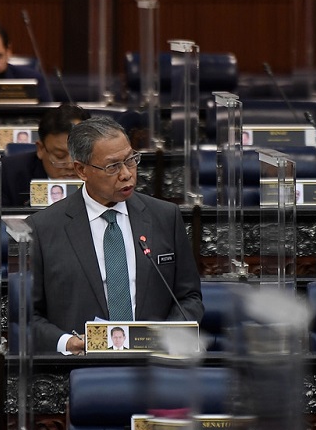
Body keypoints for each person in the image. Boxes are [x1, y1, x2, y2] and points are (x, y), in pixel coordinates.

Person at [28, 116, 203, 355]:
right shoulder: (43, 228)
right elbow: (29, 315)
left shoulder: (165, 216)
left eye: (130, 160)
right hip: (80, 365)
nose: (126, 174)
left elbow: (189, 297)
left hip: (155, 363)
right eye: (112, 167)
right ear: (81, 170)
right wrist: (67, 342)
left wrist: (167, 338)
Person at [1, 103, 91, 207]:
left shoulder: (104, 171)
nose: (71, 166)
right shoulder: (8, 174)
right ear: (41, 149)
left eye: (79, 154)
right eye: (60, 156)